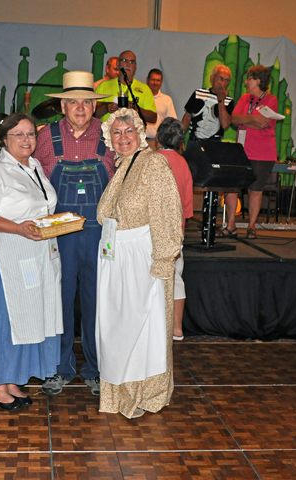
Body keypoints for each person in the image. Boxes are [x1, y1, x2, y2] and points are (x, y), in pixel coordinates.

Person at [0, 112, 63, 412]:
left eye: (31, 133)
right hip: (5, 252)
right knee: (5, 319)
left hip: (35, 252)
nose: (26, 139)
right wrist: (19, 228)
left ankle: (12, 379)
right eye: (18, 134)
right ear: (4, 140)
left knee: (27, 318)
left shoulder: (35, 167)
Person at [95, 108, 182, 419]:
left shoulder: (153, 163)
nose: (123, 137)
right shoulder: (123, 166)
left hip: (141, 259)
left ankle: (145, 394)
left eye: (128, 131)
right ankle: (118, 393)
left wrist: (163, 260)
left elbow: (167, 213)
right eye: (116, 133)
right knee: (117, 329)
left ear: (141, 133)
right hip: (117, 258)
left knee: (143, 330)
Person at [33, 71, 116, 397]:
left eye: (86, 102)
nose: (80, 107)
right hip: (59, 235)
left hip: (98, 234)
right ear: (62, 106)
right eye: (73, 102)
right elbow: (31, 181)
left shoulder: (110, 135)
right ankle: (59, 368)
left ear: (94, 106)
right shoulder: (45, 137)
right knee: (58, 303)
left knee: (97, 304)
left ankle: (96, 370)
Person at [225, 65, 277, 240]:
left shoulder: (271, 100)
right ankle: (230, 225)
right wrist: (254, 119)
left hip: (262, 153)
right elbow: (234, 118)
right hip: (241, 151)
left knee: (255, 190)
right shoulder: (244, 98)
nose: (246, 82)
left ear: (258, 81)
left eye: (249, 79)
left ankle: (252, 226)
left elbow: (265, 123)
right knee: (231, 188)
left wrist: (244, 120)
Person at [155, 117, 193, 341]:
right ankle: (177, 328)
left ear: (157, 138)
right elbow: (187, 205)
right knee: (176, 277)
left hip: (152, 230)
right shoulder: (183, 163)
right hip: (175, 230)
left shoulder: (151, 161)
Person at [95, 51, 157, 125]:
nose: (128, 64)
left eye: (132, 62)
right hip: (107, 131)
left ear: (135, 66)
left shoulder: (144, 89)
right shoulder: (104, 86)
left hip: (133, 131)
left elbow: (153, 118)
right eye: (125, 60)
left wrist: (135, 108)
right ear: (118, 64)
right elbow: (92, 113)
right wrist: (106, 108)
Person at [181, 64, 234, 142]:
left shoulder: (229, 101)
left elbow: (225, 124)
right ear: (212, 78)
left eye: (226, 80)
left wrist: (221, 100)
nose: (223, 83)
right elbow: (187, 117)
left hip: (214, 143)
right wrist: (180, 138)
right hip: (194, 141)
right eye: (220, 78)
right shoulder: (198, 93)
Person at [144, 69, 177, 145]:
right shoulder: (140, 97)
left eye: (158, 80)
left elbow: (171, 122)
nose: (155, 83)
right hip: (139, 141)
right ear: (147, 80)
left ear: (161, 82)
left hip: (157, 142)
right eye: (153, 80)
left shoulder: (167, 100)